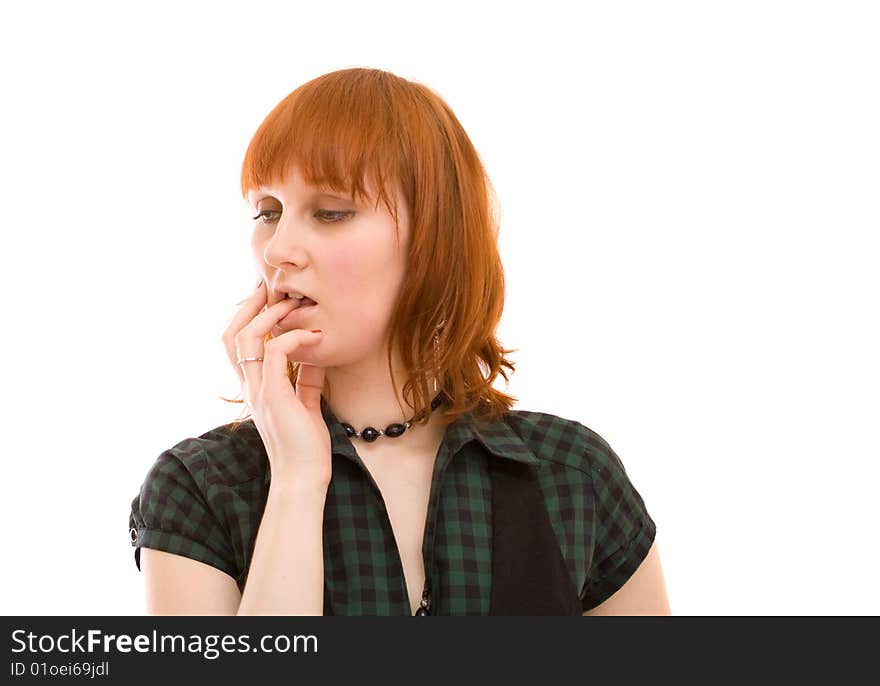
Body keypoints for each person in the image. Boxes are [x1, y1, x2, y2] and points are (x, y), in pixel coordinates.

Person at [128, 67, 671, 616]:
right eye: (268, 213)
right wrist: (296, 480)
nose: (279, 249)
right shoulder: (203, 487)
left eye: (331, 212)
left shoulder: (573, 476)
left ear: (435, 238)